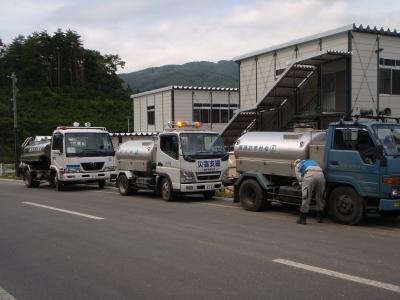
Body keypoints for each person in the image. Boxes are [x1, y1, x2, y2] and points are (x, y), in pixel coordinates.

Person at [294, 159, 326, 225]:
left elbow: (300, 178)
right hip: (321, 175)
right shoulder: (313, 161)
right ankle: (320, 218)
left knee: (306, 197)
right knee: (320, 196)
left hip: (309, 176)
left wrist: (301, 185)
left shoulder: (298, 165)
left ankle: (302, 219)